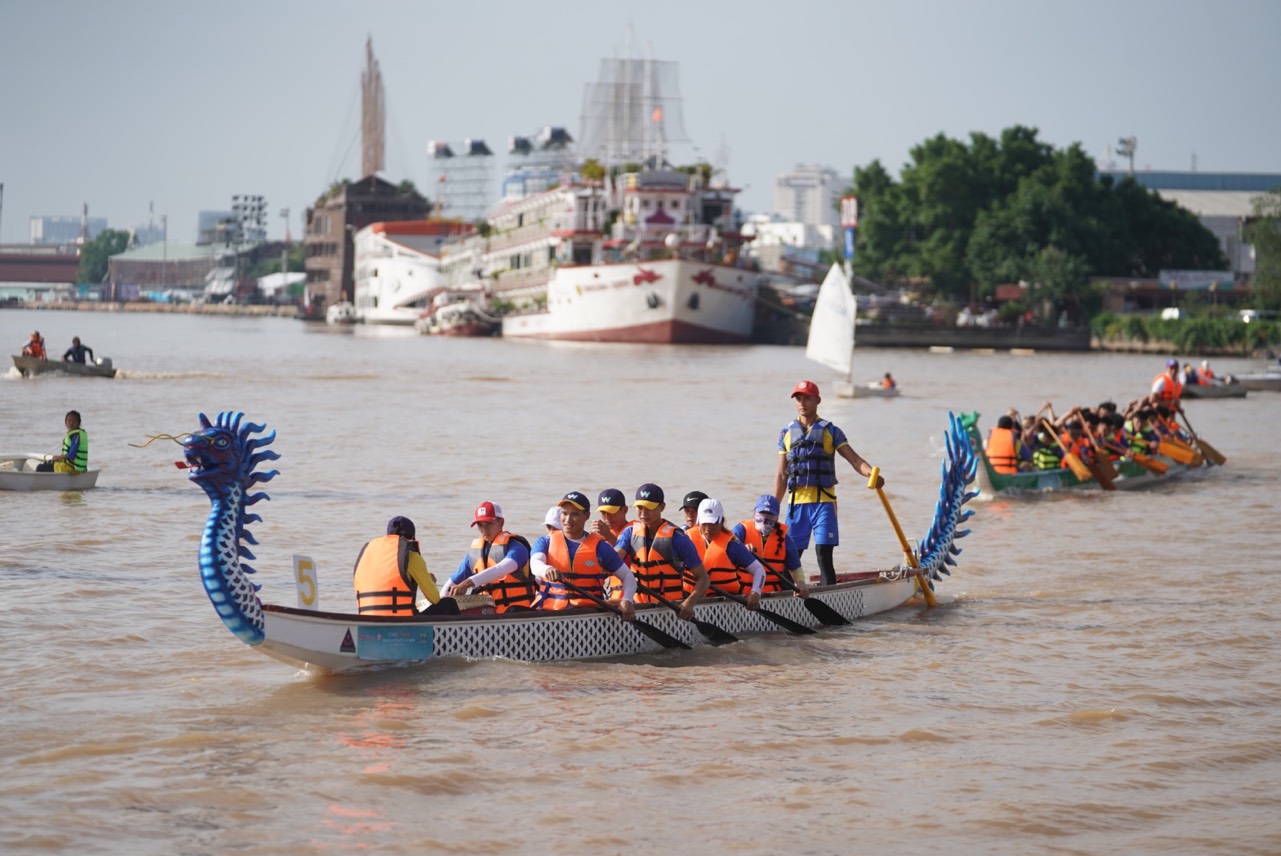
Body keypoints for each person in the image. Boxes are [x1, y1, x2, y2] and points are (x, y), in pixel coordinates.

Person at [773, 380, 882, 586]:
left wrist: (871, 474)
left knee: (824, 555)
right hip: (796, 506)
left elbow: (855, 460)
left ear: (818, 400)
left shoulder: (832, 431)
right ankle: (785, 597)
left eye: (807, 398)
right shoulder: (785, 433)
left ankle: (830, 601)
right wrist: (772, 508)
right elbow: (781, 475)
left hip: (824, 503)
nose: (802, 403)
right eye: (798, 398)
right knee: (790, 559)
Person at [529, 491, 636, 619]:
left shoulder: (601, 547)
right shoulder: (545, 541)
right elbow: (535, 564)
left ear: (587, 516)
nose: (567, 520)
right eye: (564, 513)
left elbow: (628, 576)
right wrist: (546, 569)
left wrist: (627, 599)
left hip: (587, 614)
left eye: (574, 514)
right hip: (550, 612)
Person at [612, 483, 710, 619]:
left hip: (670, 609)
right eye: (640, 508)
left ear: (662, 507)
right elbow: (614, 558)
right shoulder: (629, 533)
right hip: (638, 606)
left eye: (649, 508)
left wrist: (689, 603)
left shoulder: (678, 538)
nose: (644, 513)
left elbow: (703, 578)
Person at [444, 501, 537, 612]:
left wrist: (467, 583)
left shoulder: (517, 548)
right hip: (489, 614)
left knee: (512, 610)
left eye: (489, 524)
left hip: (518, 613)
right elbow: (449, 585)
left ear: (501, 522)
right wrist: (438, 605)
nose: (484, 530)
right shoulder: (474, 554)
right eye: (480, 525)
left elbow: (500, 568)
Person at [353, 516, 455, 616]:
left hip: (367, 619)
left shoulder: (367, 555)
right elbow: (434, 598)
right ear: (411, 539)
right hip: (403, 622)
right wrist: (430, 581)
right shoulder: (411, 557)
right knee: (449, 604)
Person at [692, 498, 768, 609]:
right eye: (704, 523)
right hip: (691, 601)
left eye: (712, 523)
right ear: (698, 521)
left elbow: (759, 570)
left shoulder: (733, 545)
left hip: (724, 605)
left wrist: (755, 592)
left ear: (721, 521)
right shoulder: (687, 540)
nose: (708, 529)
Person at [732, 494, 808, 596]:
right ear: (754, 513)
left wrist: (801, 584)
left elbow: (795, 567)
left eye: (770, 515)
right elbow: (727, 548)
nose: (764, 519)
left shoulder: (785, 539)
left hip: (772, 594)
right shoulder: (741, 530)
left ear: (776, 518)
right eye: (762, 513)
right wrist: (741, 550)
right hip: (742, 593)